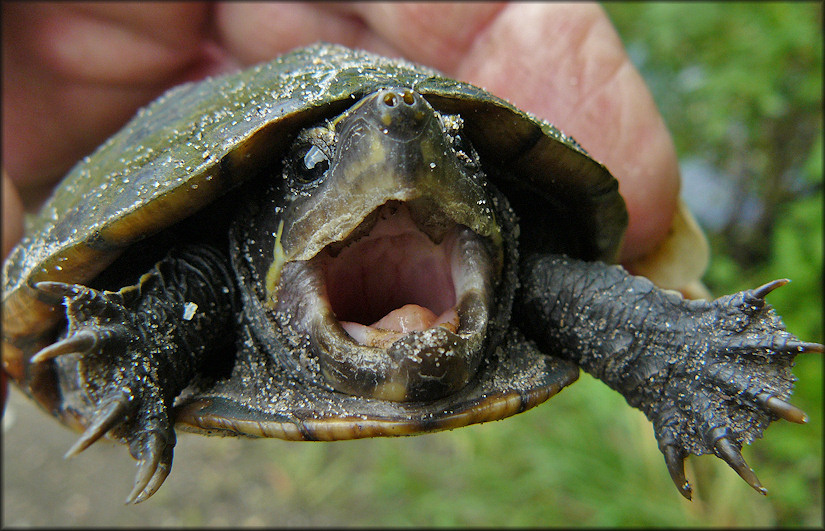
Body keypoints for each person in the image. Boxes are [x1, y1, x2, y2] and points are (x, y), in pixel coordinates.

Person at [0, 2, 681, 408]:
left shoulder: (525, 285)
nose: (400, 143)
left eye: (457, 153)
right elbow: (171, 282)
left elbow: (616, 313)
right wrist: (132, 350)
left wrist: (683, 355)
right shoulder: (219, 277)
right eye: (315, 168)